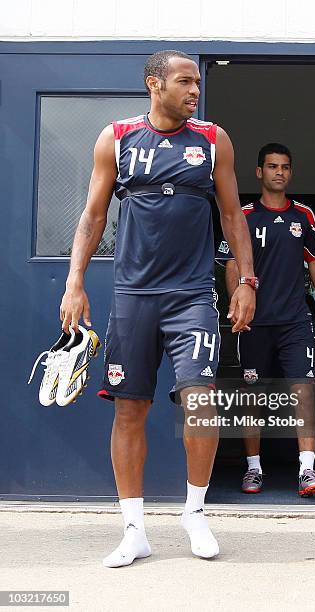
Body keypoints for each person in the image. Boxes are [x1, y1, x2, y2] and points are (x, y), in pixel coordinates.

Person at [59, 50, 256, 567]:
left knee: (202, 403)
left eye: (197, 82)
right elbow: (92, 216)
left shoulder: (213, 141)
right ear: (154, 84)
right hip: (134, 297)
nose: (195, 91)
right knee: (130, 409)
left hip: (192, 296)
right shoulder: (117, 138)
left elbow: (234, 215)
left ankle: (194, 512)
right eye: (185, 82)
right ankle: (133, 530)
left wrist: (246, 281)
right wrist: (74, 282)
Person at [217, 143, 315, 497]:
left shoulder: (304, 215)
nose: (279, 172)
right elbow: (233, 264)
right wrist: (238, 302)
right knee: (253, 396)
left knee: (303, 392)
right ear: (259, 172)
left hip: (295, 322)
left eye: (284, 166)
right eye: (272, 166)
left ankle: (307, 470)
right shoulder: (243, 215)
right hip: (253, 323)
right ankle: (253, 470)